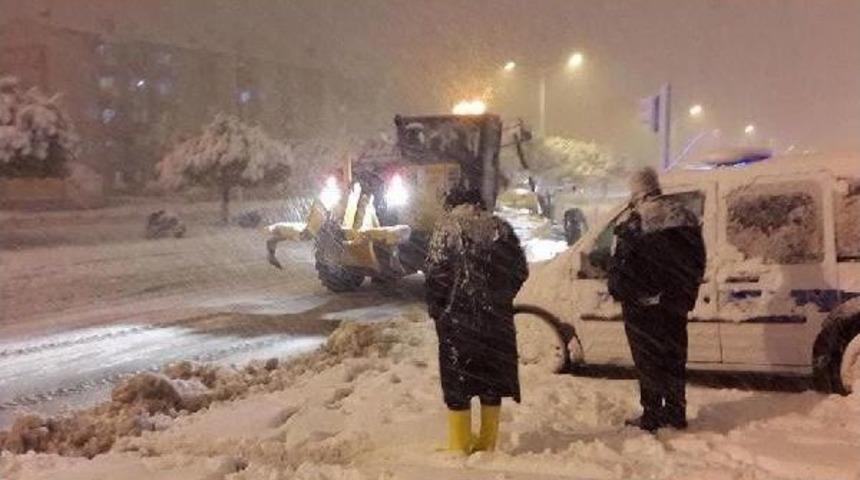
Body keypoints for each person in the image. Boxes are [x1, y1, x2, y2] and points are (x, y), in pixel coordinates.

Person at [425, 187, 529, 453]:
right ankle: (487, 443)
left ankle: (460, 444)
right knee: (491, 382)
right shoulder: (501, 228)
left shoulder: (446, 230)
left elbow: (437, 276)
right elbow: (520, 271)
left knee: (458, 383)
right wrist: (499, 298)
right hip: (496, 321)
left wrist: (438, 310)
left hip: (458, 323)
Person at [608, 167, 706, 432]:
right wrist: (684, 293)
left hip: (643, 307)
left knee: (648, 360)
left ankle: (652, 414)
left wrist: (623, 292)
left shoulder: (634, 221)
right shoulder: (684, 215)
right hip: (674, 304)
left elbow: (622, 267)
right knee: (674, 356)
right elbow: (698, 260)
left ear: (636, 191)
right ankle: (676, 412)